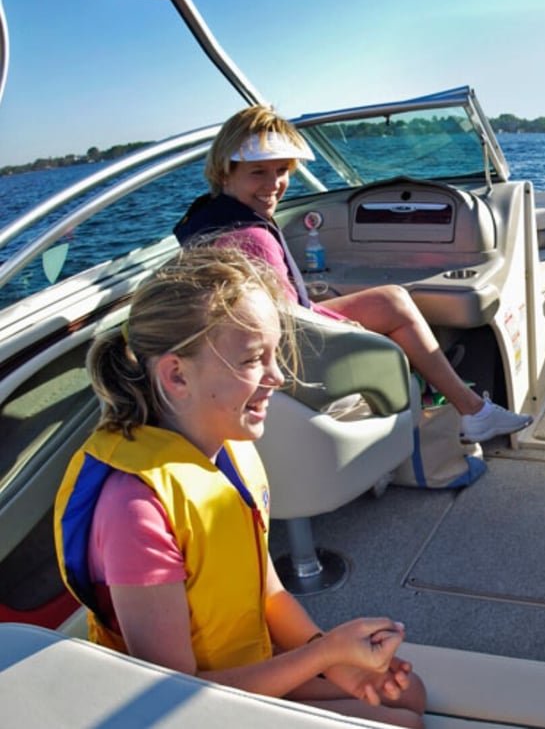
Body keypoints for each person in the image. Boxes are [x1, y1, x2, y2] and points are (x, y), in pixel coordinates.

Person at [54, 246, 426, 727]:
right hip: (188, 706)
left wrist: (335, 662)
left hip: (238, 672)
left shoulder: (227, 452)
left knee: (406, 696)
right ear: (176, 375)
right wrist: (322, 658)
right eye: (254, 359)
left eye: (274, 355)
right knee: (404, 723)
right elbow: (172, 692)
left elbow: (268, 594)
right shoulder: (135, 509)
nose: (277, 376)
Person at [174, 105, 532, 443]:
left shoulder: (211, 220)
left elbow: (279, 308)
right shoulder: (252, 239)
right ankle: (472, 409)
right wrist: (351, 328)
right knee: (396, 311)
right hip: (295, 360)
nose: (274, 185)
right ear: (225, 171)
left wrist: (320, 305)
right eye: (258, 172)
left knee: (392, 299)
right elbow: (286, 329)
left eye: (282, 170)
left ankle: (464, 405)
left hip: (249, 346)